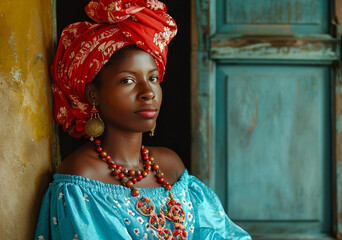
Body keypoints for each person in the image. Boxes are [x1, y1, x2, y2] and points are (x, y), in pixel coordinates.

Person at [35, 0, 251, 239]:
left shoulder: (170, 165)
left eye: (153, 78)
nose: (148, 92)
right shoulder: (80, 178)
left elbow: (221, 233)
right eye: (127, 80)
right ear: (93, 94)